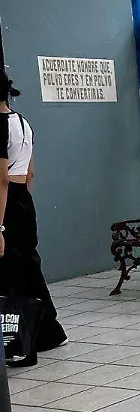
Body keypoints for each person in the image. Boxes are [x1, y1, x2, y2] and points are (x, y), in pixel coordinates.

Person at [0, 72, 67, 366]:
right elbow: (29, 173)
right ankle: (49, 332)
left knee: (11, 271)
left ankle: (19, 342)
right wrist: (24, 203)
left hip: (5, 203)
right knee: (29, 266)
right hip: (23, 200)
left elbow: (0, 181)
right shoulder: (22, 122)